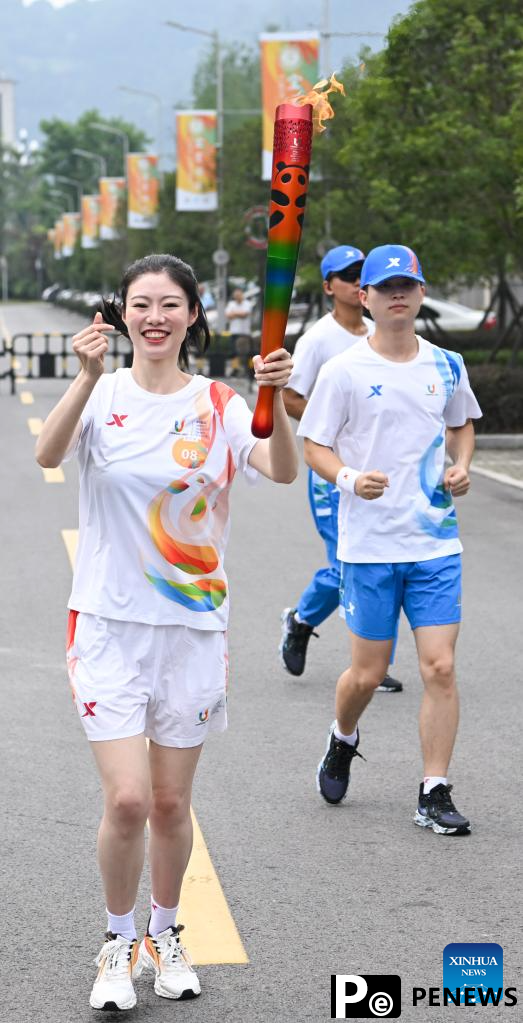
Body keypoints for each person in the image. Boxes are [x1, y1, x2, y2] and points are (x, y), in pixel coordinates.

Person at [35, 253, 297, 1011]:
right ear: (119, 314)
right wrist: (83, 378)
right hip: (109, 626)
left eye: (169, 304)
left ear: (191, 315)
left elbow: (278, 469)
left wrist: (271, 398)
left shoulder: (218, 402)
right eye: (139, 303)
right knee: (126, 801)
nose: (154, 316)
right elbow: (47, 453)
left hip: (190, 630)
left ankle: (166, 931)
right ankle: (116, 943)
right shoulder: (101, 392)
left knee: (171, 805)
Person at [298, 244, 482, 835]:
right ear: (365, 296)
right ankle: (342, 735)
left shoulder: (447, 364)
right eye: (385, 286)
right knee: (368, 674)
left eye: (408, 284)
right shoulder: (344, 370)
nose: (397, 294)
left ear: (421, 293)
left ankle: (434, 789)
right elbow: (314, 444)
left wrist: (462, 465)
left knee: (441, 667)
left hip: (434, 544)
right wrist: (349, 479)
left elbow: (461, 424)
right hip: (370, 547)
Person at [280, 245, 402, 693]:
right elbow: (291, 397)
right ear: (329, 286)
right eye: (346, 276)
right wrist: (332, 426)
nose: (355, 282)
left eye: (361, 274)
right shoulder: (318, 339)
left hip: (380, 475)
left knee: (383, 564)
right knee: (346, 566)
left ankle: (374, 664)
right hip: (332, 473)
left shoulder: (379, 332)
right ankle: (301, 619)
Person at [225, 287, 252, 378]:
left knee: (246, 353)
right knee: (234, 352)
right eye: (235, 295)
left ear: (242, 295)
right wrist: (239, 313)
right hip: (234, 332)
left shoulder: (247, 303)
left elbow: (245, 314)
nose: (237, 297)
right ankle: (235, 369)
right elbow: (228, 315)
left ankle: (247, 370)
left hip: (244, 333)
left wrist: (234, 313)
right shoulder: (231, 304)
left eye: (239, 295)